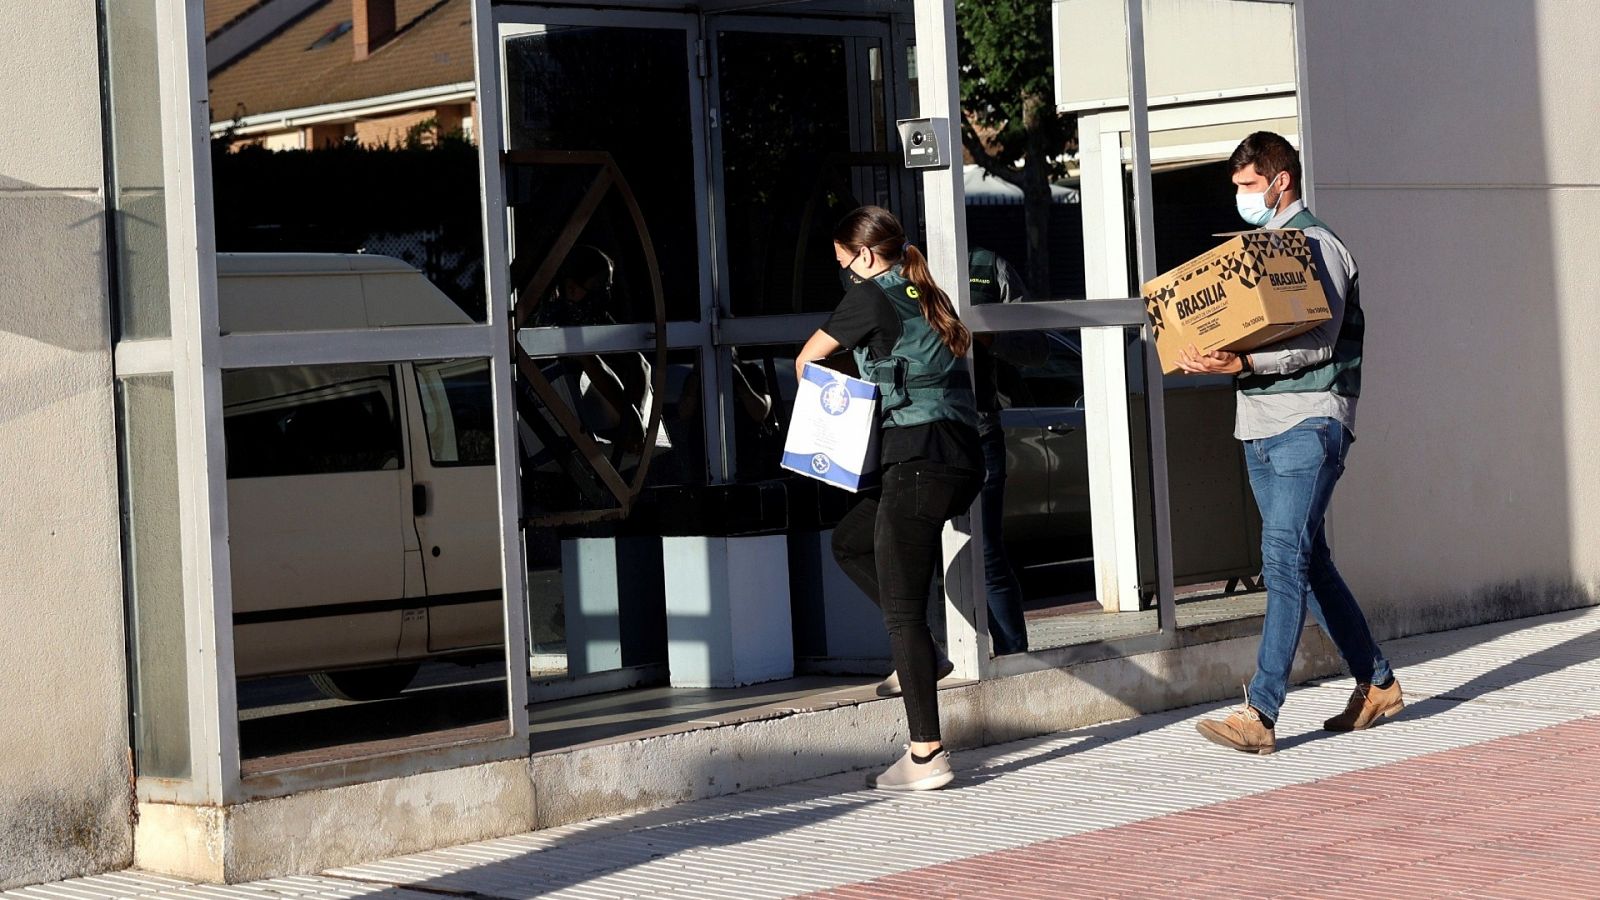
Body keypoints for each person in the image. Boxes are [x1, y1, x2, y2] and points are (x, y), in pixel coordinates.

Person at [1182, 132, 1401, 755]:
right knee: (1310, 563)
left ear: (1281, 181)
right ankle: (1377, 683)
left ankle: (1261, 712)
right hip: (1258, 425)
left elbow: (1318, 345)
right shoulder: (1256, 251)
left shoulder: (1319, 248)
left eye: (1249, 186)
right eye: (1237, 188)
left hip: (1310, 420)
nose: (1242, 198)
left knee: (1281, 560)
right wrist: (1217, 354)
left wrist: (1240, 364)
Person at [797, 206, 983, 791]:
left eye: (844, 263)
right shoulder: (925, 291)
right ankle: (927, 654)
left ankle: (926, 755)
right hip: (959, 455)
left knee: (902, 613)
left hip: (917, 461)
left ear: (866, 256)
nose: (845, 274)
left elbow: (808, 359)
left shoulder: (870, 296)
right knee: (850, 543)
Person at [968, 248, 1047, 656]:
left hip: (978, 428)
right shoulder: (892, 270)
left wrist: (988, 335)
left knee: (985, 551)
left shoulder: (986, 265)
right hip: (916, 433)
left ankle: (1014, 659)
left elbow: (1035, 346)